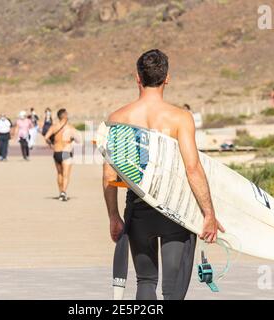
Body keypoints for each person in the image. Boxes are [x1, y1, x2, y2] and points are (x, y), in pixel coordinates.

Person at [102, 49, 224, 300]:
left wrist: (114, 217)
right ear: (167, 78)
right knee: (173, 291)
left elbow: (108, 177)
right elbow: (193, 168)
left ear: (138, 78)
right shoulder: (180, 118)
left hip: (137, 211)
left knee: (146, 282)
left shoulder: (117, 119)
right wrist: (209, 214)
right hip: (175, 213)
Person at [44, 108, 81, 201]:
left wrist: (51, 145)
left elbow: (46, 137)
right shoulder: (70, 128)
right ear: (64, 116)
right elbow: (78, 140)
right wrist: (71, 139)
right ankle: (63, 192)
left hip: (56, 152)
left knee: (59, 173)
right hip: (66, 152)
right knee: (66, 174)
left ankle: (61, 192)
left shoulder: (54, 126)